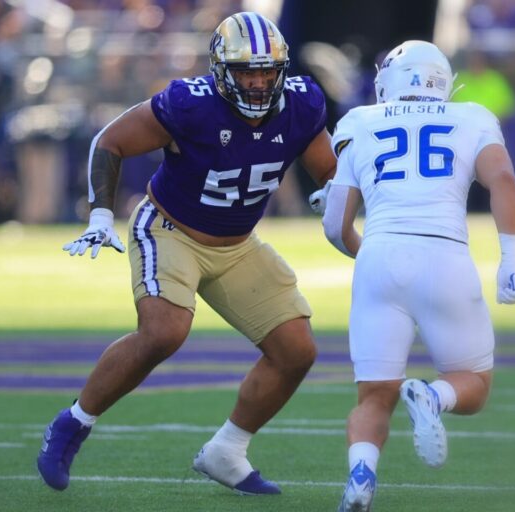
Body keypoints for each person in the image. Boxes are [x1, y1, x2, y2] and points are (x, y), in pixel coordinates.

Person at [37, 11, 336, 495]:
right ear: (221, 71)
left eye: (267, 71)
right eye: (247, 72)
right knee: (164, 331)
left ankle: (228, 450)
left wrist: (333, 194)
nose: (259, 83)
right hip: (170, 230)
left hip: (238, 244)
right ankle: (73, 421)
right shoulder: (189, 104)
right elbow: (109, 141)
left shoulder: (302, 103)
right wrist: (98, 214)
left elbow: (326, 169)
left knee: (296, 350)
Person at [320, 41, 515, 511]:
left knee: (373, 395)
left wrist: (367, 252)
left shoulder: (358, 122)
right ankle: (433, 396)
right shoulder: (471, 116)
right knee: (472, 385)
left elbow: (335, 224)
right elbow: (505, 182)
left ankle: (361, 475)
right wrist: (511, 259)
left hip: (380, 256)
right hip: (444, 257)